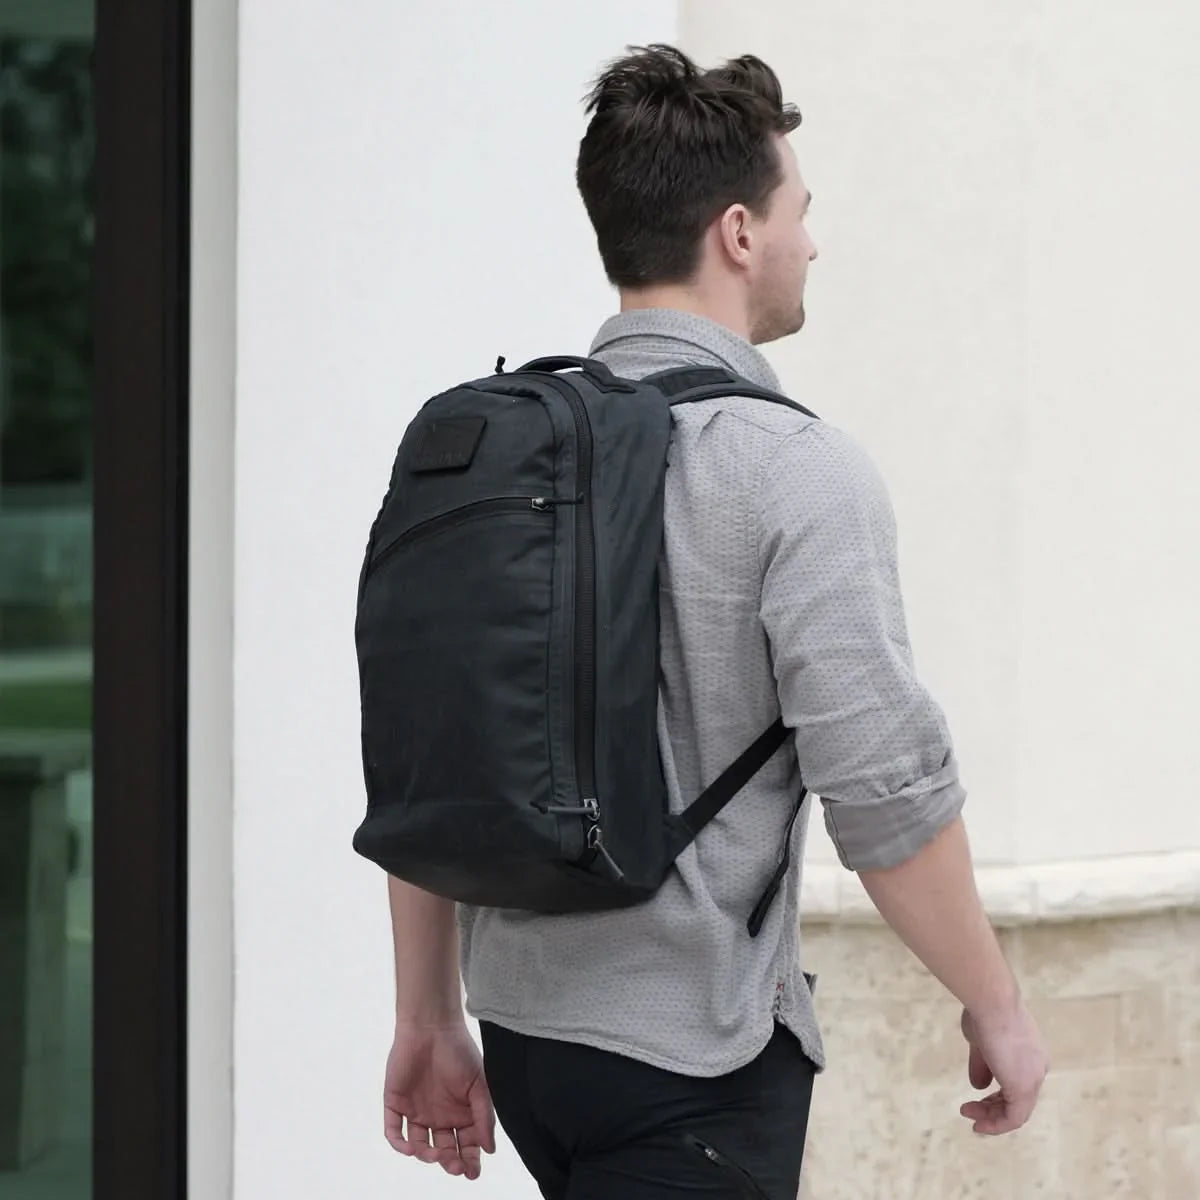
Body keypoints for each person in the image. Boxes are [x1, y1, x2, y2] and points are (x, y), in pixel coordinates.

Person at [380, 44, 1048, 1198]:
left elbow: (431, 749)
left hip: (531, 1040)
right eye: (800, 210)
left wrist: (428, 1013)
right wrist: (996, 1000)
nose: (811, 242)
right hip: (691, 1057)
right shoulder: (796, 471)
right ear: (739, 233)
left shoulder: (487, 452)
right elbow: (886, 789)